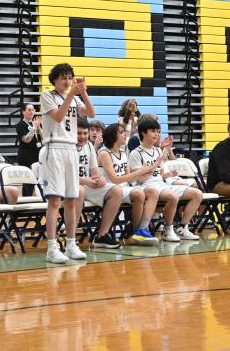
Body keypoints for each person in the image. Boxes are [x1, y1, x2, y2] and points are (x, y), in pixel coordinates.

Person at [39, 63, 96, 263]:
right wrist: (72, 94)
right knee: (55, 200)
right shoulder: (47, 96)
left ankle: (71, 244)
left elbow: (91, 113)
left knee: (72, 199)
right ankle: (52, 247)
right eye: (63, 77)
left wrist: (84, 93)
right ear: (54, 79)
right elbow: (59, 116)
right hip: (54, 147)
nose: (67, 81)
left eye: (69, 77)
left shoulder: (73, 97)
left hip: (71, 149)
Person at [129, 118, 202, 242]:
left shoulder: (157, 150)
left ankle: (182, 227)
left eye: (158, 131)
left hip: (161, 184)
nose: (157, 134)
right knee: (173, 197)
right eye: (153, 131)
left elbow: (160, 175)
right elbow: (140, 178)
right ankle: (168, 230)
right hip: (146, 186)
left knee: (197, 194)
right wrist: (156, 163)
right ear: (143, 133)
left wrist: (169, 174)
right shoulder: (136, 153)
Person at [97, 123, 160, 245]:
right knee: (138, 193)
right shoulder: (104, 153)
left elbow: (130, 180)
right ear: (112, 136)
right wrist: (138, 174)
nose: (125, 134)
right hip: (109, 189)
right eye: (121, 132)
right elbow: (115, 179)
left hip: (124, 188)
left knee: (152, 191)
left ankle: (142, 228)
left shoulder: (123, 153)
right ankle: (136, 231)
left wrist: (148, 170)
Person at [75, 118, 123, 248]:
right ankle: (71, 238)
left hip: (86, 183)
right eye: (79, 133)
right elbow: (64, 176)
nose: (83, 136)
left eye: (85, 133)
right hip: (69, 184)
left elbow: (95, 172)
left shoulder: (89, 146)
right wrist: (87, 181)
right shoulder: (67, 147)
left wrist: (98, 179)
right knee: (79, 190)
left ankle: (102, 235)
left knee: (116, 190)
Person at [16, 103, 42, 196]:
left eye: (33, 109)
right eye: (29, 110)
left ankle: (40, 200)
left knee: (40, 180)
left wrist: (39, 128)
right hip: (26, 156)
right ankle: (26, 201)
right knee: (28, 182)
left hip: (37, 154)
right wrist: (34, 128)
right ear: (23, 112)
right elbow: (26, 140)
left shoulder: (36, 123)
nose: (32, 112)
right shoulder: (20, 124)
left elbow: (43, 139)